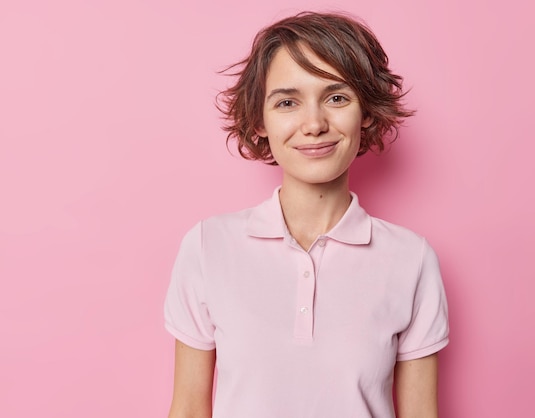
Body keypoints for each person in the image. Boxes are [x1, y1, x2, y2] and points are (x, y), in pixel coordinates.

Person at [164, 11, 449, 418]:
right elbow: (189, 408)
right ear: (259, 120)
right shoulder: (209, 246)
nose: (313, 124)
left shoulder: (412, 259)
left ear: (365, 112)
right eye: (287, 102)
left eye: (336, 97)